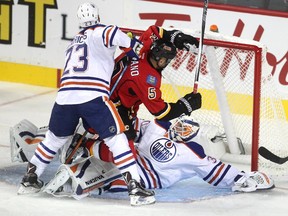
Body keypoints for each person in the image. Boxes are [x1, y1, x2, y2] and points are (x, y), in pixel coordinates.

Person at [17, 2, 155, 206]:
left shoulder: (72, 43)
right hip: (92, 97)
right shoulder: (105, 30)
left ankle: (28, 181)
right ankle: (135, 188)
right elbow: (129, 45)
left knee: (54, 139)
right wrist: (135, 44)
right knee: (117, 140)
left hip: (64, 98)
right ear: (98, 16)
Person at [10, 115, 275, 199]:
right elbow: (129, 126)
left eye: (185, 131)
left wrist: (245, 177)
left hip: (149, 178)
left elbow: (216, 171)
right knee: (83, 131)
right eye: (180, 125)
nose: (179, 131)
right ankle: (31, 142)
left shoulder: (192, 152)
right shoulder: (157, 126)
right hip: (128, 158)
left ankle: (77, 182)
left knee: (109, 175)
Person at [105, 26, 202, 159]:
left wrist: (175, 37)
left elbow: (154, 30)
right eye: (167, 60)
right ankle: (120, 170)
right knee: (126, 144)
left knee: (131, 132)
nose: (167, 63)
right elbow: (161, 113)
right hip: (112, 106)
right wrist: (184, 106)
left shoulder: (143, 48)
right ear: (161, 60)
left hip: (104, 92)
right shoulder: (146, 79)